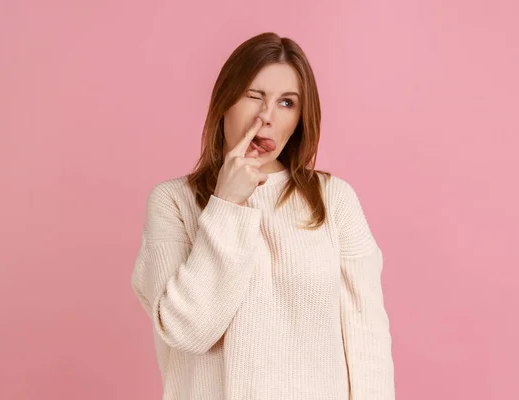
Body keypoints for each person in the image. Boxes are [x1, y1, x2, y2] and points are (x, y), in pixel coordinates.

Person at [131, 31, 395, 399]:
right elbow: (189, 332)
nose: (266, 117)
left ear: (301, 117)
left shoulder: (333, 199)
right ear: (225, 101)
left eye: (287, 103)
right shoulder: (172, 202)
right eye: (253, 96)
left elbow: (368, 340)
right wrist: (226, 204)